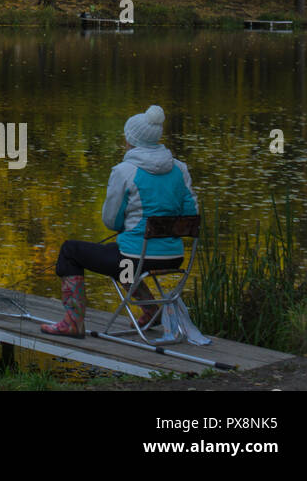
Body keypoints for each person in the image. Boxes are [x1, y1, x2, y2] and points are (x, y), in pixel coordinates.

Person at [41, 104, 198, 338]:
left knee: (70, 250)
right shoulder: (180, 169)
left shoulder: (125, 171)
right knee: (117, 254)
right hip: (173, 257)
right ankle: (150, 309)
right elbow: (191, 214)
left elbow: (111, 221)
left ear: (131, 141)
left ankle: (72, 322)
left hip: (136, 258)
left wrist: (129, 225)